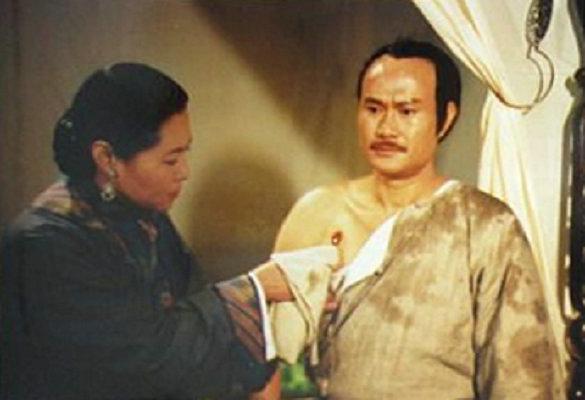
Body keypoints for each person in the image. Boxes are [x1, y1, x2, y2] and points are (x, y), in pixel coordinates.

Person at [265, 39, 562, 398]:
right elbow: (262, 354)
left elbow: (522, 379)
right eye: (373, 108)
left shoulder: (485, 226)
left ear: (445, 118)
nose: (386, 128)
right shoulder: (316, 212)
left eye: (407, 111)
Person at [0, 63, 293, 400]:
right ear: (107, 158)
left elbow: (195, 311)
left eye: (185, 153)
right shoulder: (46, 244)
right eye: (170, 160)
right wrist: (252, 291)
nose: (184, 172)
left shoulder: (144, 217)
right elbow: (147, 359)